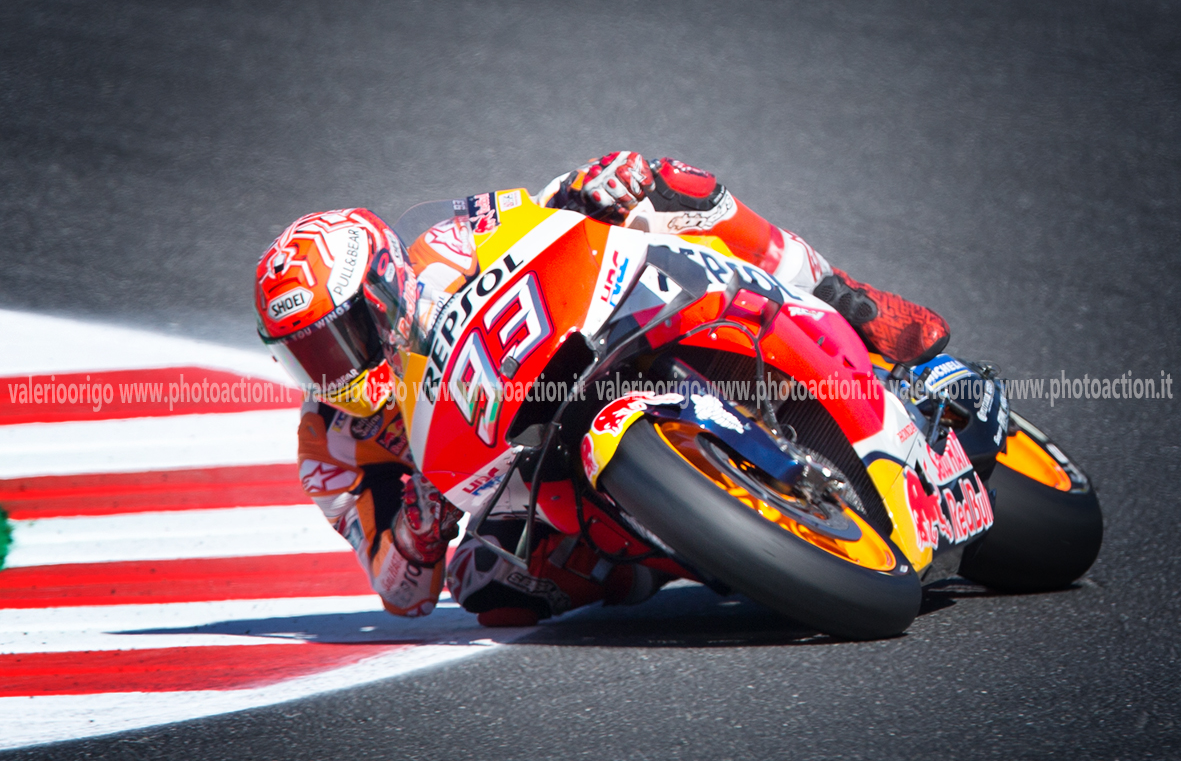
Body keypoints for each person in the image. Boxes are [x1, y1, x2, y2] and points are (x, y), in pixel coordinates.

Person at [254, 152, 950, 627]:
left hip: (584, 341)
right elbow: (398, 593)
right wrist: (419, 529)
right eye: (304, 357)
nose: (327, 372)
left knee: (668, 184)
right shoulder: (330, 443)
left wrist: (592, 186)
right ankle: (677, 552)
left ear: (382, 290)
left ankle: (848, 299)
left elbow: (541, 211)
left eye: (335, 340)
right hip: (529, 477)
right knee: (486, 584)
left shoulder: (446, 244)